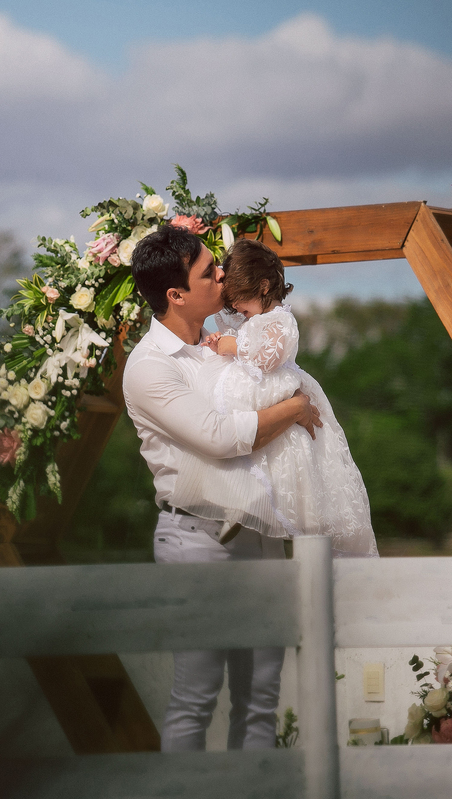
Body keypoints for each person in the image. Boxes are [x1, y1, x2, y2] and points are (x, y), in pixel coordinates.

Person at [123, 224, 323, 752]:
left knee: (261, 699)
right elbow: (219, 437)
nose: (222, 274)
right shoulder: (149, 367)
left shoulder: (227, 342)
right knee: (196, 696)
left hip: (259, 532)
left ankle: (253, 789)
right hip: (197, 541)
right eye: (208, 271)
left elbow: (271, 384)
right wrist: (294, 408)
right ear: (176, 295)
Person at [171, 238, 378, 558]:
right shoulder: (251, 315)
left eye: (241, 300)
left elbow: (269, 358)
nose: (236, 307)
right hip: (252, 385)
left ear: (264, 287)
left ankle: (258, 508)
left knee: (284, 453)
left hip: (271, 385)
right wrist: (222, 339)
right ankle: (235, 501)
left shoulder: (281, 320)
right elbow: (229, 321)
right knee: (233, 433)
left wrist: (234, 346)